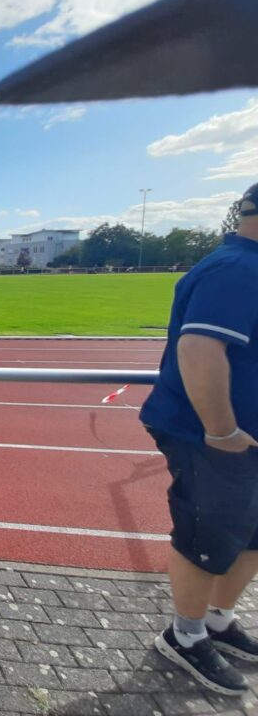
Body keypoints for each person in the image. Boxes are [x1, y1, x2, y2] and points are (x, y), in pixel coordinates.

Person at [139, 183, 258, 697]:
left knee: (249, 535)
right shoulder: (236, 269)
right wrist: (222, 430)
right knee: (206, 535)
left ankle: (217, 619)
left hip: (239, 438)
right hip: (209, 438)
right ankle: (185, 635)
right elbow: (199, 348)